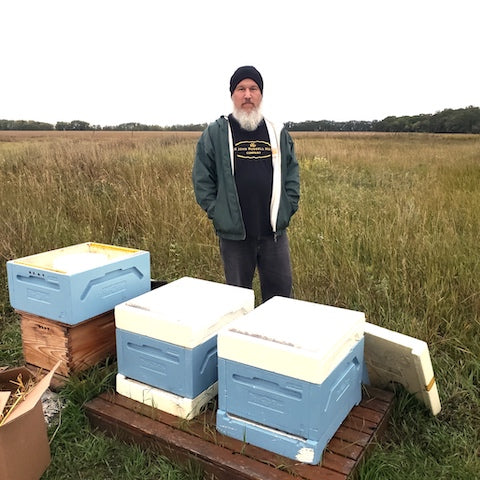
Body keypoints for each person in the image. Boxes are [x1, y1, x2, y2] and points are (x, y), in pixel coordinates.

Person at [192, 65, 300, 302]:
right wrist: (217, 212)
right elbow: (202, 179)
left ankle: (277, 339)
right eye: (241, 89)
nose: (247, 95)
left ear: (261, 94)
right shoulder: (216, 133)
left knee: (281, 299)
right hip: (235, 237)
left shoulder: (277, 132)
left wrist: (288, 207)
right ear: (232, 95)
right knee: (237, 302)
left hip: (273, 234)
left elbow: (292, 173)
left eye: (253, 88)